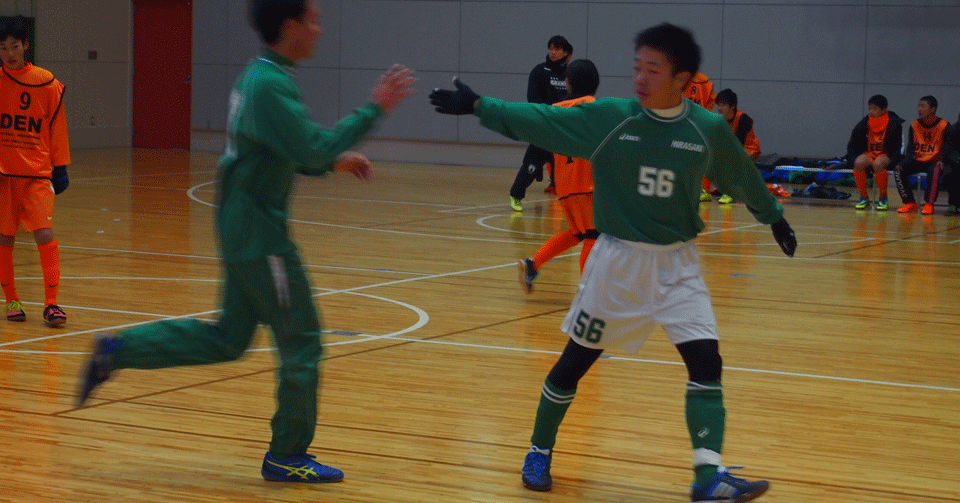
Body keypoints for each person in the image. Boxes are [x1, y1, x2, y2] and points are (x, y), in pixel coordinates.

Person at [431, 22, 795, 503]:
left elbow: (740, 174)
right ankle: (539, 449)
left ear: (683, 79)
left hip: (678, 265)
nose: (640, 77)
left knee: (707, 362)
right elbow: (541, 119)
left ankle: (708, 477)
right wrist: (481, 106)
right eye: (637, 66)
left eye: (653, 69)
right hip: (618, 263)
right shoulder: (610, 118)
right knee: (574, 363)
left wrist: (773, 217)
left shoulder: (706, 129)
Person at [76, 0, 415, 484]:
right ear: (290, 25)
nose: (320, 29)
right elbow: (309, 146)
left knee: (229, 338)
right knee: (302, 340)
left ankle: (118, 350)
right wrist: (373, 109)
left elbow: (283, 148)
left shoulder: (262, 76)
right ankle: (287, 454)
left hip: (241, 228)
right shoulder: (269, 84)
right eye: (314, 20)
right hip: (261, 237)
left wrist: (329, 161)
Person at [0, 16, 71, 327]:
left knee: (44, 232)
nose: (9, 53)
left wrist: (61, 166)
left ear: (26, 45)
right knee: (5, 238)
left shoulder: (46, 83)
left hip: (37, 174)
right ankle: (12, 300)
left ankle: (51, 303)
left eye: (14, 46)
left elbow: (57, 127)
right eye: (3, 48)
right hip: (4, 176)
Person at [518, 59, 599, 293]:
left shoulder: (555, 110)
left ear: (568, 83)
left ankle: (532, 264)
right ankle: (587, 292)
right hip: (587, 184)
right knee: (594, 234)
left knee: (577, 233)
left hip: (565, 188)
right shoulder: (594, 108)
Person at [509, 35, 572, 211]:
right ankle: (516, 195)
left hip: (563, 130)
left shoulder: (570, 74)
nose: (552, 52)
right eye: (550, 48)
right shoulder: (539, 71)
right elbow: (533, 99)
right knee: (531, 166)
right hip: (544, 128)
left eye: (557, 49)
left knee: (570, 168)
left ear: (565, 52)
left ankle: (571, 202)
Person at [845, 94, 903, 211]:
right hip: (869, 153)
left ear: (884, 110)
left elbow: (899, 147)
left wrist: (894, 160)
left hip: (885, 154)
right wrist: (852, 158)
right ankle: (863, 197)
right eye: (870, 108)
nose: (871, 112)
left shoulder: (894, 123)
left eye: (875, 109)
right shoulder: (865, 122)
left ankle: (883, 197)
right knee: (858, 163)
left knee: (878, 164)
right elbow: (853, 142)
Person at [894, 96, 949, 215]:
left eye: (923, 106)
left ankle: (929, 203)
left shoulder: (944, 125)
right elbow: (910, 147)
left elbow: (948, 147)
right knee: (898, 169)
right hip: (918, 160)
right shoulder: (914, 125)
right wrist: (905, 161)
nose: (919, 109)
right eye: (918, 106)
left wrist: (943, 160)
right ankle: (909, 202)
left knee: (934, 170)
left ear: (933, 109)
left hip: (935, 160)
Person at [713, 88, 761, 204]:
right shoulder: (719, 121)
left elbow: (739, 143)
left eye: (723, 105)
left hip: (750, 149)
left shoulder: (743, 118)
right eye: (718, 105)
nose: (719, 108)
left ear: (733, 106)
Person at [683, 72, 718, 203]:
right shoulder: (705, 81)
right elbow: (712, 99)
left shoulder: (677, 78)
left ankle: (698, 190)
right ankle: (702, 190)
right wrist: (704, 113)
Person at [944, 112, 960, 216]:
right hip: (954, 162)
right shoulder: (951, 130)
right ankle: (953, 204)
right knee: (950, 173)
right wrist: (957, 159)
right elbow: (948, 149)